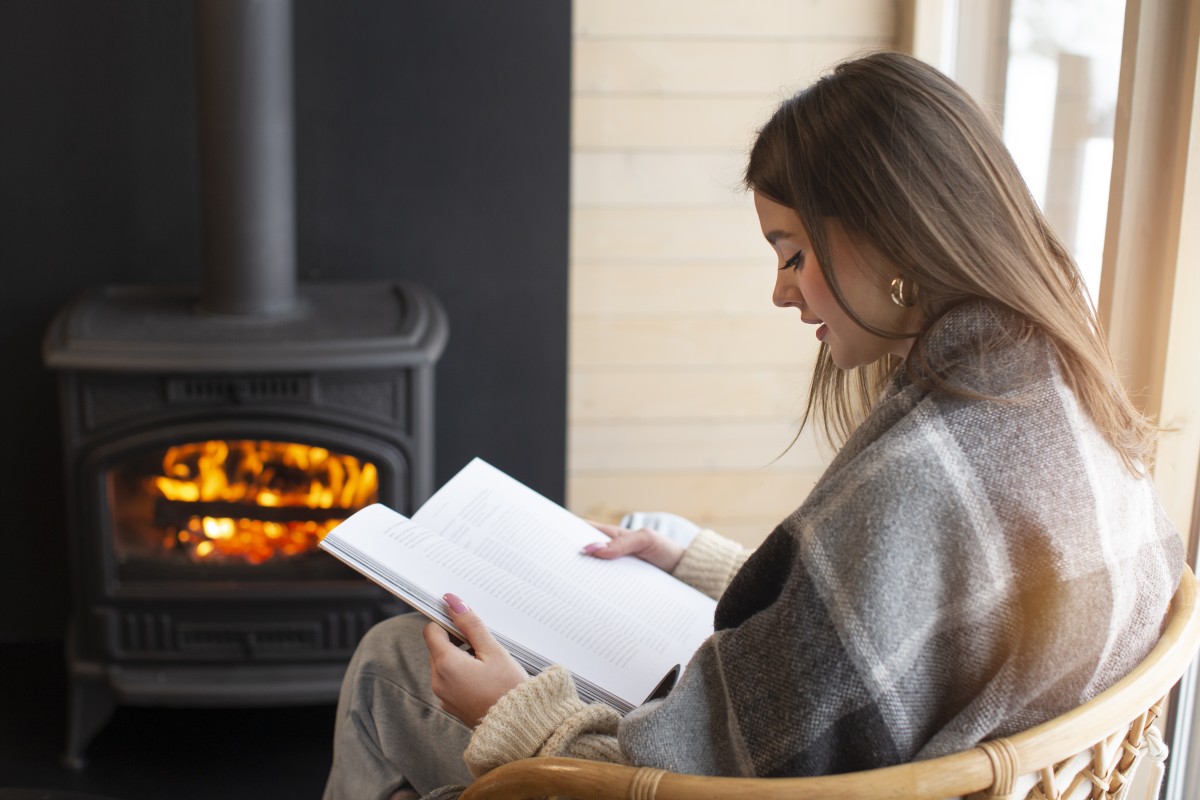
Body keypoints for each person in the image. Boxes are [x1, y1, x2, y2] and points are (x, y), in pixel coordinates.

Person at [322, 50, 1185, 800]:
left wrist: (516, 715)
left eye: (793, 253)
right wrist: (693, 564)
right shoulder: (1060, 392)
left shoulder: (923, 479)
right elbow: (900, 630)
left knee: (395, 662)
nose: (782, 291)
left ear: (888, 233)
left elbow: (694, 783)